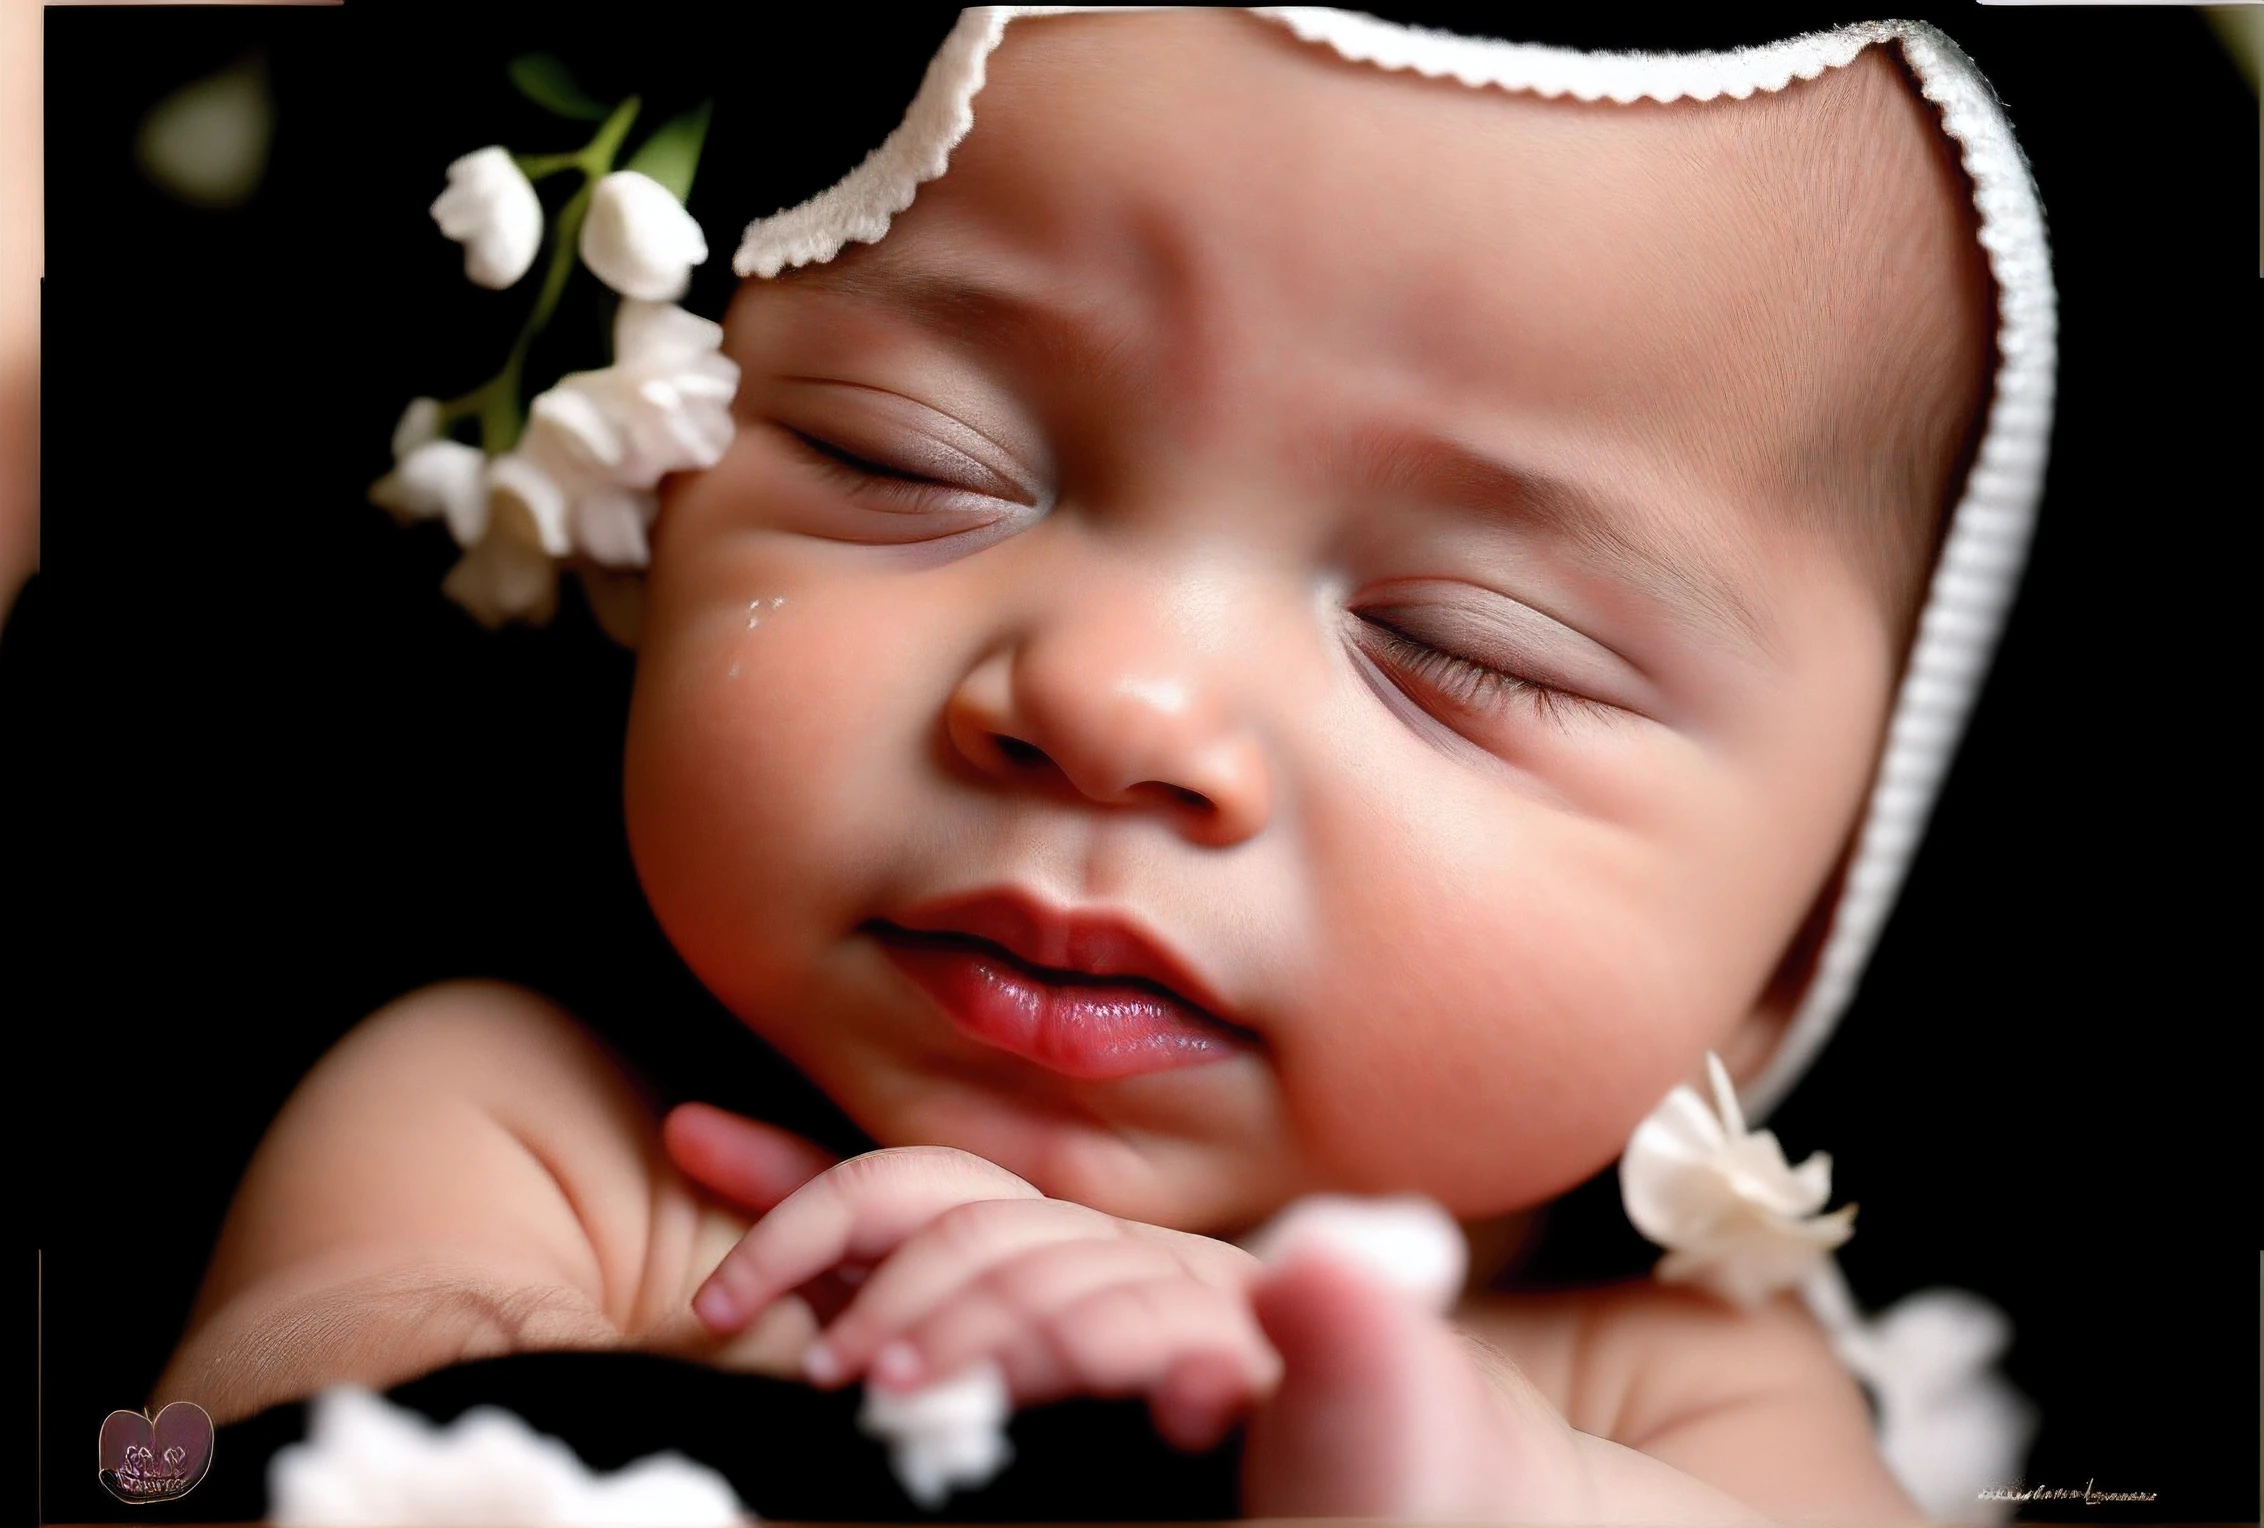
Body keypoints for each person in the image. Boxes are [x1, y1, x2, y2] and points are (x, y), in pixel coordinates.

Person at [150, 9, 2046, 1520]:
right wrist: (738, 1425)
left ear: (1814, 920)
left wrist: (1486, 1473)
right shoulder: (528, 1136)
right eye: (918, 464)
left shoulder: (1667, 1386)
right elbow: (231, 1463)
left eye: (1463, 647)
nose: (1114, 705)